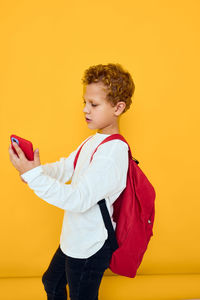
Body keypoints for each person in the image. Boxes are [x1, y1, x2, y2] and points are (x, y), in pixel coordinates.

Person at [8, 63, 135, 300]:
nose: (85, 110)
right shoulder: (94, 141)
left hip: (91, 245)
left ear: (118, 107)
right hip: (75, 238)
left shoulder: (112, 153)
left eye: (94, 104)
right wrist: (36, 170)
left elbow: (78, 199)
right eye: (84, 102)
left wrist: (34, 177)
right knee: (52, 282)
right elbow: (67, 167)